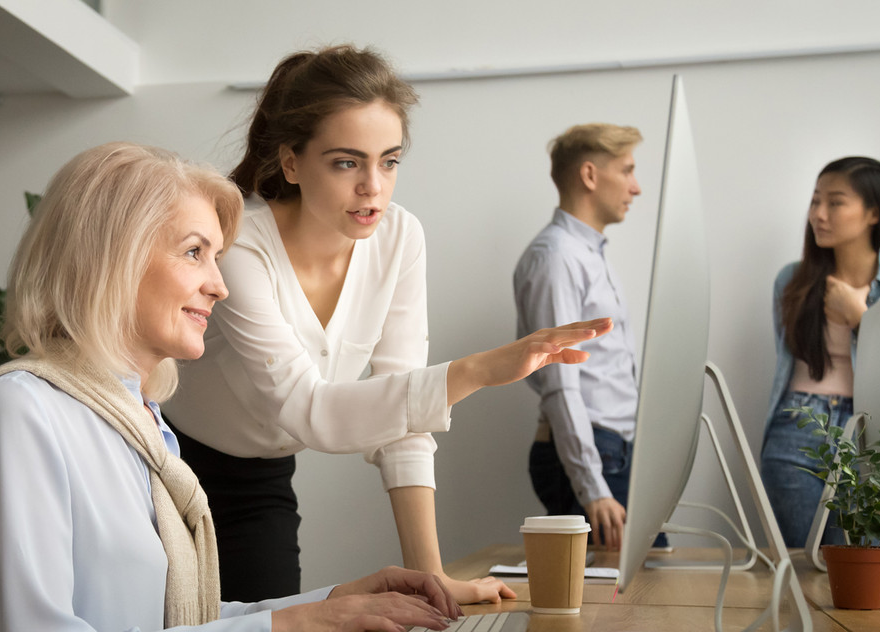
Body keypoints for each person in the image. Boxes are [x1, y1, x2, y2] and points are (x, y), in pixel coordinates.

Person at [0, 142, 465, 632]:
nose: (219, 285)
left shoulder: (141, 421)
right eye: (195, 252)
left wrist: (335, 603)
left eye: (217, 257)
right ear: (114, 257)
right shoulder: (18, 411)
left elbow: (171, 621)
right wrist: (297, 623)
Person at [164, 45, 612, 605]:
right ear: (291, 163)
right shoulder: (239, 247)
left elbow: (404, 419)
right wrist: (477, 369)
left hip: (262, 479)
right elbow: (310, 411)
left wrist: (433, 577)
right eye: (347, 162)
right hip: (173, 469)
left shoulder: (400, 238)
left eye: (390, 161)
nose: (373, 185)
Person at [761, 156, 880, 548]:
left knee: (865, 570)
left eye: (835, 202)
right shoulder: (791, 280)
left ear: (874, 212)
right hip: (797, 427)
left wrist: (860, 317)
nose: (818, 214)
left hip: (871, 432)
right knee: (804, 567)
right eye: (815, 201)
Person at [513, 123, 663, 552]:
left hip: (610, 449)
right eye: (628, 170)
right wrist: (593, 487)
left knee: (637, 590)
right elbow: (560, 380)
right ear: (591, 175)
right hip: (590, 453)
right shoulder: (558, 257)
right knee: (609, 602)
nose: (636, 188)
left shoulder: (586, 254)